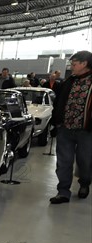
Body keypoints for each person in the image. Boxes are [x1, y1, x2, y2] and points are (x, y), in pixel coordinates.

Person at [49, 50, 92, 204]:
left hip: (86, 131)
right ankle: (63, 192)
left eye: (74, 64)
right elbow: (59, 102)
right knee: (63, 162)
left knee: (85, 161)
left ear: (84, 64)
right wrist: (56, 123)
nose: (71, 67)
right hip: (65, 129)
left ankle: (85, 183)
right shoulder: (69, 81)